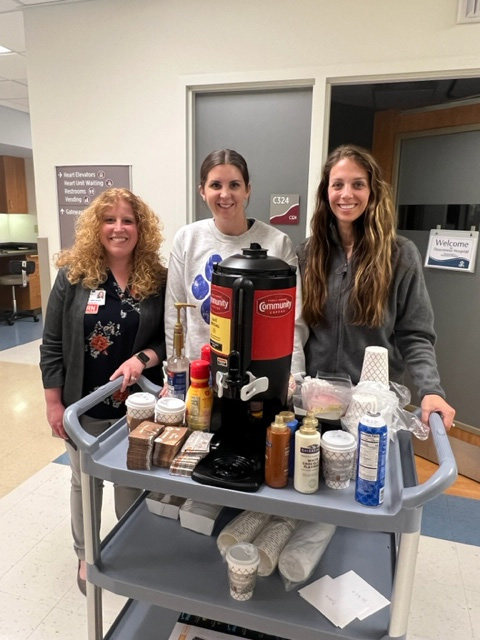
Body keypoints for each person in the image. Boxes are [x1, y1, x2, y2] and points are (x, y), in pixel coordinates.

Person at [40, 188, 167, 594]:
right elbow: (52, 344)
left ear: (140, 228)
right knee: (84, 482)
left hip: (137, 408)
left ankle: (130, 552)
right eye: (109, 220)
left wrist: (142, 359)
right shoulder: (73, 277)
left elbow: (167, 341)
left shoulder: (157, 279)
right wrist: (54, 403)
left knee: (131, 481)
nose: (118, 228)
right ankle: (86, 554)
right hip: (84, 406)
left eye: (127, 220)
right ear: (97, 227)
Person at [296, 144, 455, 429]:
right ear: (326, 193)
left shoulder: (399, 255)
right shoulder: (308, 253)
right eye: (337, 185)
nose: (346, 194)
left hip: (373, 408)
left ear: (372, 192)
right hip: (317, 403)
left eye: (358, 184)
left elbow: (415, 335)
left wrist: (431, 390)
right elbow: (295, 328)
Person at [165, 148, 308, 374]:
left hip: (263, 372)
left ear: (247, 190)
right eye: (215, 185)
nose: (225, 194)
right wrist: (174, 373)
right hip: (201, 374)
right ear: (202, 191)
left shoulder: (278, 243)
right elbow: (174, 316)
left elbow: (294, 321)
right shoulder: (187, 239)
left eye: (234, 185)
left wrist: (294, 377)